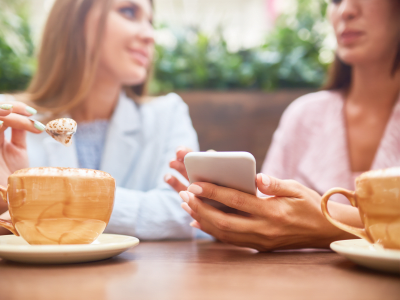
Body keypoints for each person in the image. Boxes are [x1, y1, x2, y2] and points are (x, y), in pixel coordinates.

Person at [166, 0, 400, 251]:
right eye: (335, 1)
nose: (346, 10)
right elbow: (268, 212)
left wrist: (330, 224)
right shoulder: (303, 116)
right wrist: (235, 212)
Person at [0, 0, 199, 239]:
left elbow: (183, 212)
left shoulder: (168, 114)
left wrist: (47, 198)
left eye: (150, 21)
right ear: (76, 19)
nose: (150, 35)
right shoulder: (10, 120)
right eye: (128, 12)